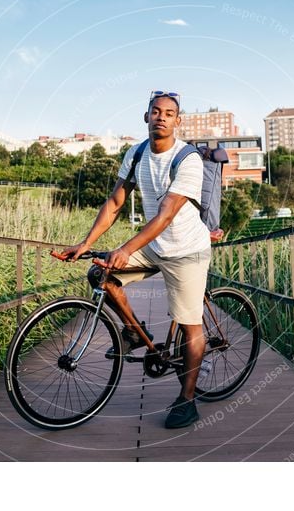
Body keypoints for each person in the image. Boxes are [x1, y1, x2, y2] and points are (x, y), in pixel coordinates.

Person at [61, 90, 211, 429]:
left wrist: (125, 249)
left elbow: (165, 214)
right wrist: (86, 243)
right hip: (155, 246)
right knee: (100, 276)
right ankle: (132, 331)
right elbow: (115, 203)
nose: (161, 117)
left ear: (178, 120)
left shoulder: (188, 158)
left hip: (187, 250)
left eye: (169, 113)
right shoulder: (137, 153)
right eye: (155, 111)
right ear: (146, 117)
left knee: (190, 324)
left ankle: (187, 401)